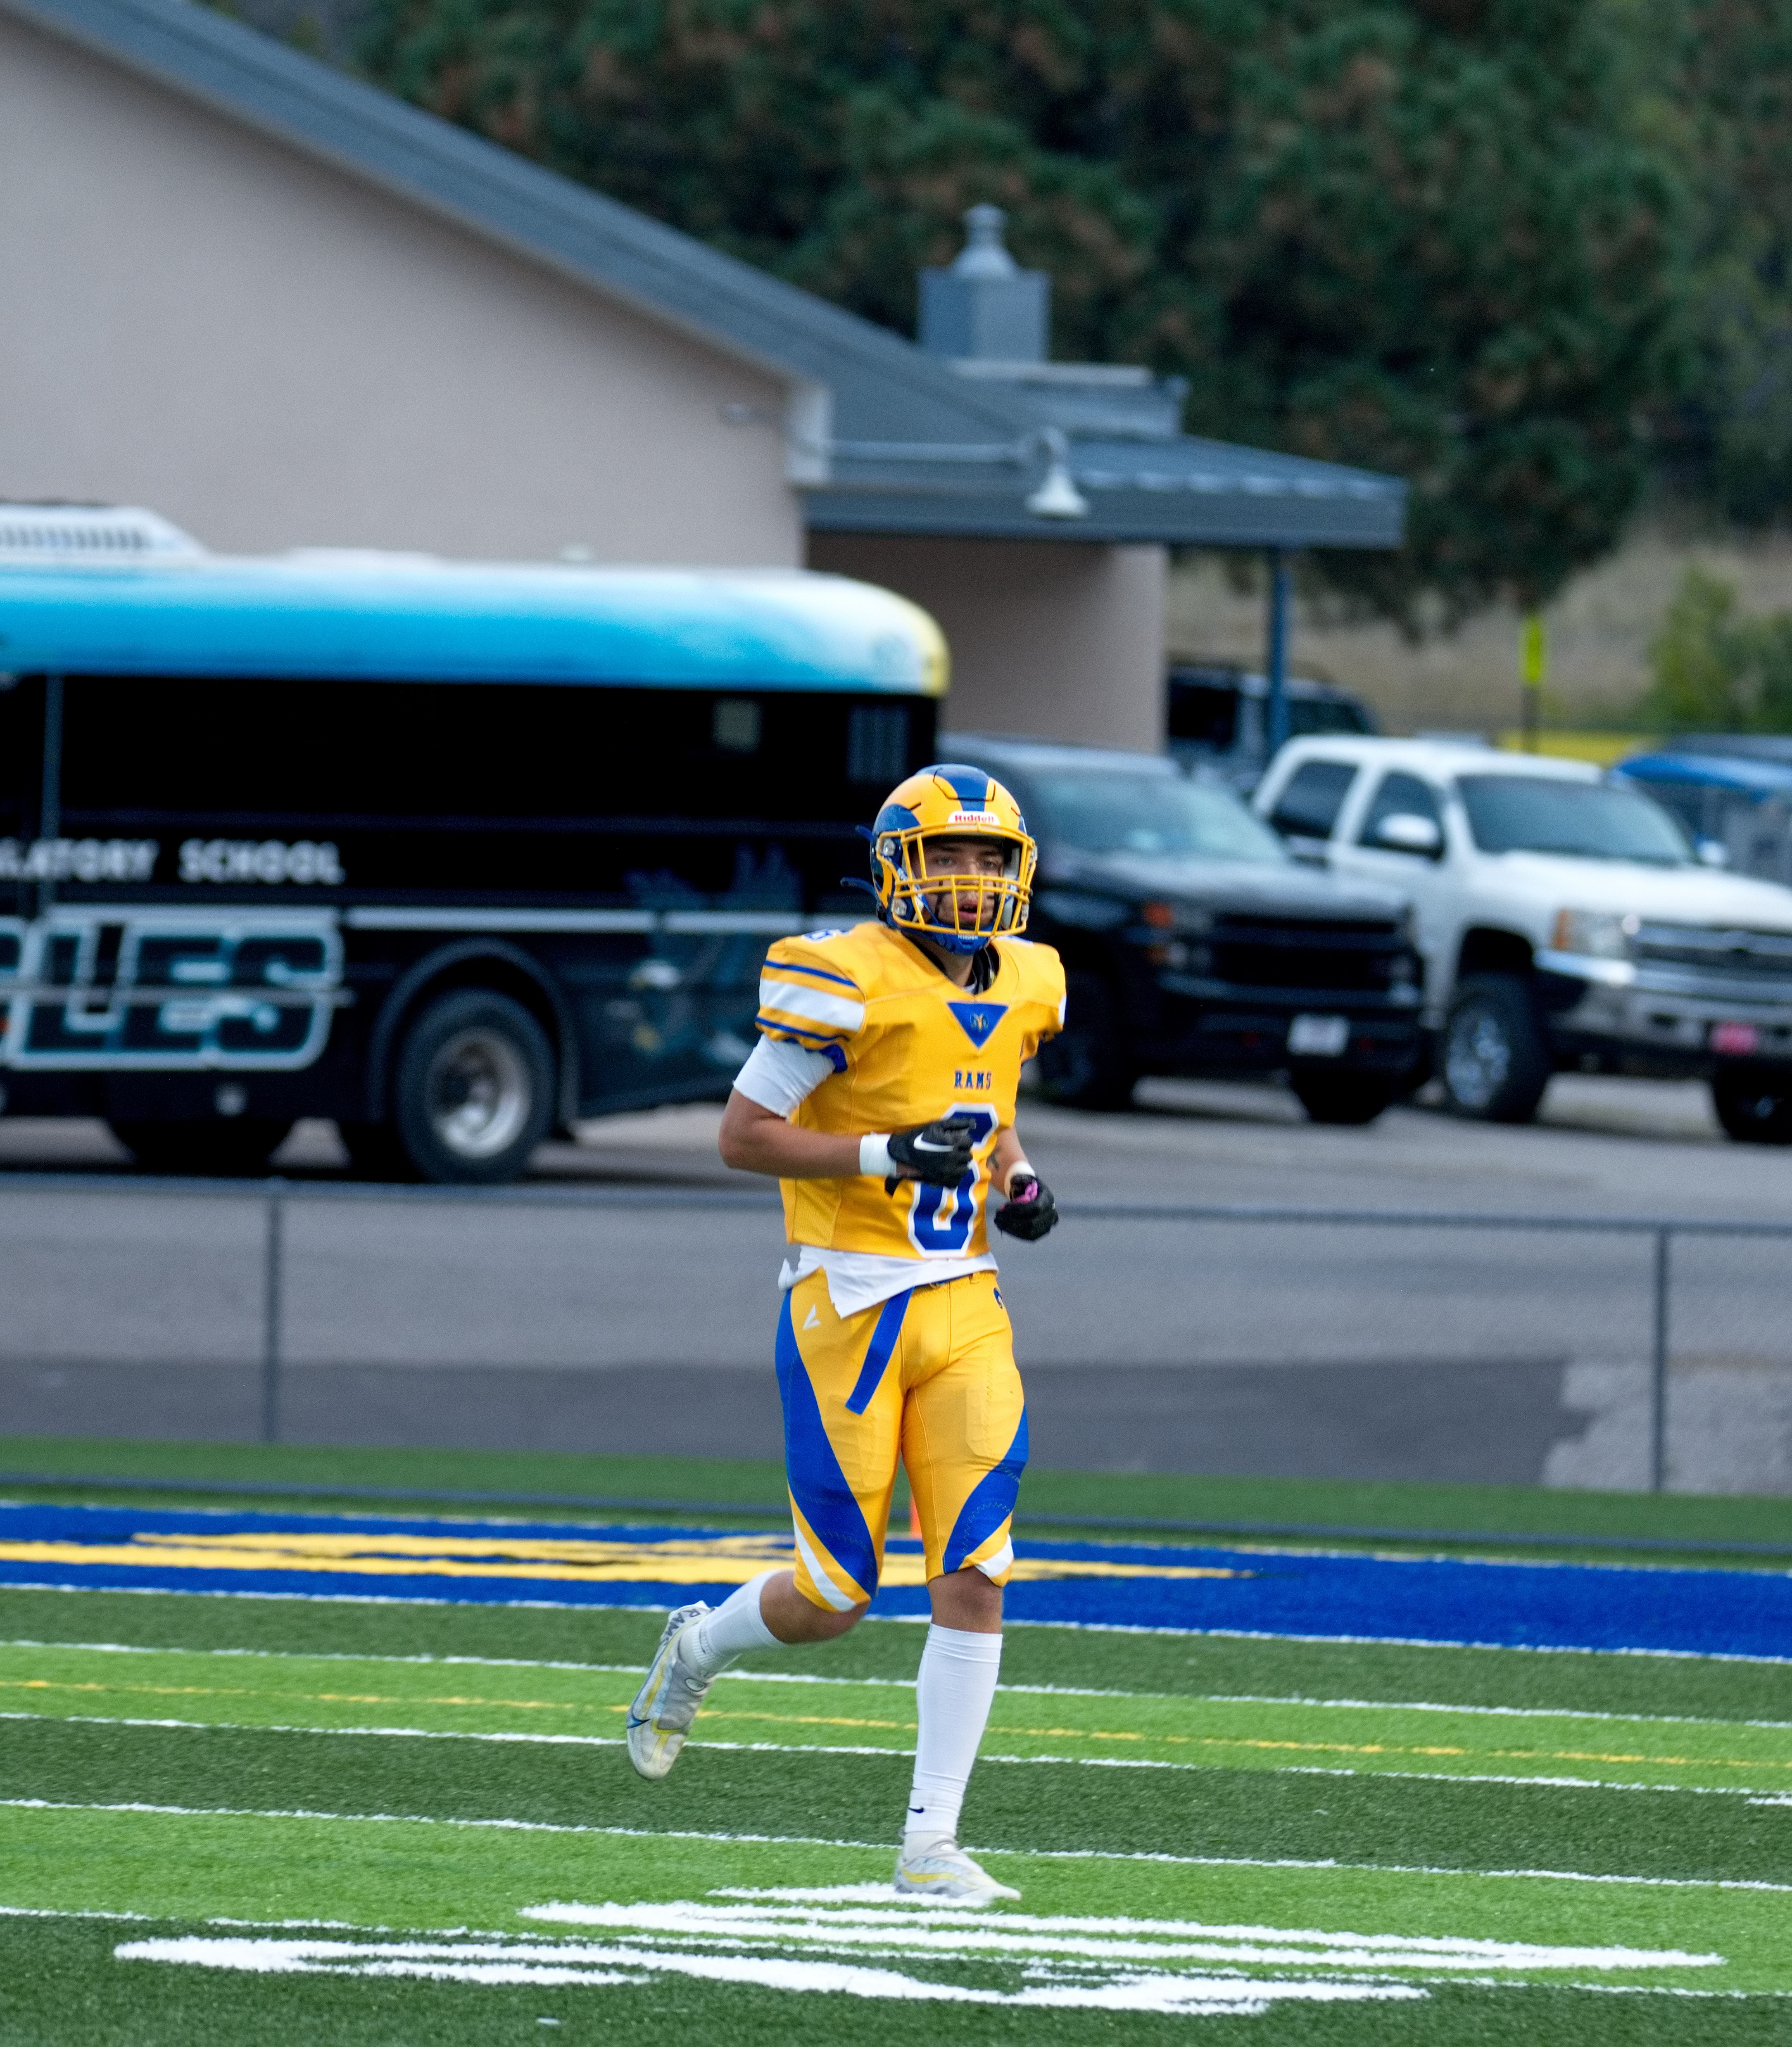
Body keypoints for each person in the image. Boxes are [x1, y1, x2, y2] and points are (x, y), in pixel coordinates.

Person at [626, 763, 1065, 1904]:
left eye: (986, 857)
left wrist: (1015, 1180)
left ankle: (931, 1848)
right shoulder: (840, 975)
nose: (968, 880)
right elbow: (740, 1134)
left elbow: (990, 1110)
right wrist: (880, 1155)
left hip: (964, 1299)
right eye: (946, 856)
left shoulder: (1025, 979)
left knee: (974, 1570)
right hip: (847, 1305)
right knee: (833, 1600)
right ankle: (697, 1647)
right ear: (894, 869)